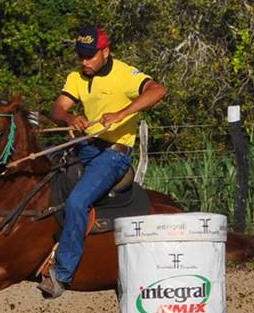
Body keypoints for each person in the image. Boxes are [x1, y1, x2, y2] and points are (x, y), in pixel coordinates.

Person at [37, 26, 167, 298]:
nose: (84, 62)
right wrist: (70, 119)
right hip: (85, 145)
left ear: (105, 52)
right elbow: (57, 108)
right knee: (37, 174)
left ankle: (62, 274)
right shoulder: (76, 77)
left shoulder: (125, 74)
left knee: (77, 202)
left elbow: (158, 90)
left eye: (89, 56)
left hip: (113, 155)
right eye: (80, 56)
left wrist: (121, 113)